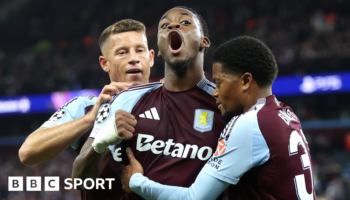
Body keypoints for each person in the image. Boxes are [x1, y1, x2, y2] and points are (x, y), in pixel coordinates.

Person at [121, 36, 316, 200]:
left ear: (246, 81)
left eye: (219, 82)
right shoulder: (286, 114)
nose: (215, 92)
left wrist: (137, 181)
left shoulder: (249, 124)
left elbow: (194, 197)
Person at [73, 6, 227, 200]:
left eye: (185, 22)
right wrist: (102, 141)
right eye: (165, 25)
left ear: (203, 41)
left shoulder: (224, 103)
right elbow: (80, 180)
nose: (174, 25)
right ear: (158, 51)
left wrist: (139, 183)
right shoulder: (126, 98)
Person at [19, 19, 155, 200]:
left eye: (140, 50)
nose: (133, 58)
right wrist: (92, 118)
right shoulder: (84, 106)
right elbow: (28, 152)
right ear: (104, 63)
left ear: (151, 57)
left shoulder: (173, 104)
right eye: (122, 52)